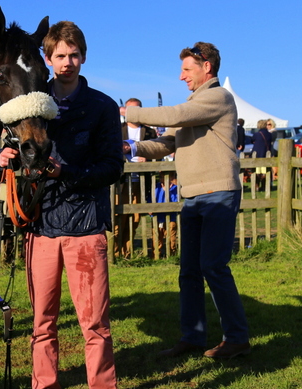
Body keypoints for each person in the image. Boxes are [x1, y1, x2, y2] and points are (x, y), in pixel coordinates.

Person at [0, 21, 122, 389]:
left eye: (73, 55)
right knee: (42, 322)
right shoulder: (31, 101)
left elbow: (112, 168)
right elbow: (9, 144)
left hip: (85, 225)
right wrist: (2, 155)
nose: (66, 63)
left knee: (94, 324)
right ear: (47, 60)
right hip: (41, 225)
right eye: (59, 56)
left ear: (83, 56)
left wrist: (66, 172)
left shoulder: (103, 106)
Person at [123, 41, 250, 360]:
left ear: (207, 67)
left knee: (213, 267)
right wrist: (134, 149)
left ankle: (237, 338)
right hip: (194, 196)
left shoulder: (217, 97)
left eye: (186, 69)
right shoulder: (197, 104)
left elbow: (177, 115)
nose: (181, 76)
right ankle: (192, 337)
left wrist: (129, 113)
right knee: (189, 270)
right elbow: (168, 141)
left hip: (219, 193)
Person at [115, 97, 156, 258]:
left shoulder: (150, 132)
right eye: (129, 108)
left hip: (141, 181)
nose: (133, 112)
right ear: (124, 110)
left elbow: (159, 152)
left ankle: (127, 251)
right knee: (119, 216)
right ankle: (115, 250)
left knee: (136, 216)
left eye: (137, 108)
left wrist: (148, 156)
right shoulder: (117, 129)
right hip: (121, 181)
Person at [251, 119, 273, 191]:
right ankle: (264, 186)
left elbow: (252, 140)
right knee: (264, 171)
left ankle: (257, 185)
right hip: (266, 153)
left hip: (257, 154)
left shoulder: (257, 134)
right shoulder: (269, 134)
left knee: (257, 170)